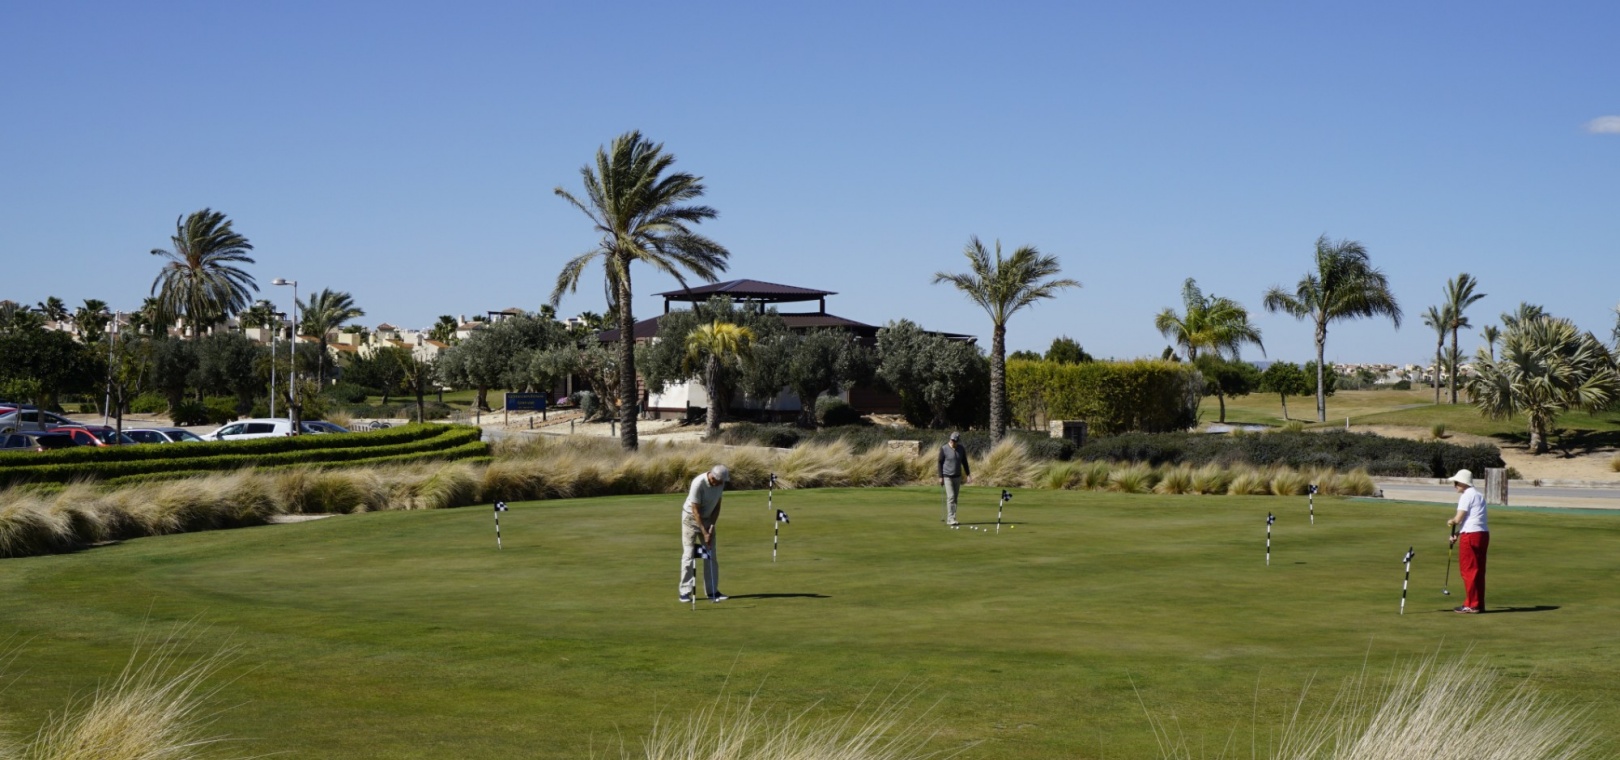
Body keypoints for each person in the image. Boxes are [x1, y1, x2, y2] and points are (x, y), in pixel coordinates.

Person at [680, 464, 730, 603]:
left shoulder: (720, 483)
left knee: (711, 555)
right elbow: (695, 511)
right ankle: (684, 592)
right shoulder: (698, 484)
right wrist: (704, 532)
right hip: (690, 519)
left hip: (708, 519)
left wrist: (711, 527)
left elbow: (717, 506)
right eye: (719, 481)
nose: (721, 484)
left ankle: (712, 591)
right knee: (688, 555)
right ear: (713, 477)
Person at [1446, 469, 1489, 613]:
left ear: (1464, 483)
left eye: (1457, 483)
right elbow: (1473, 519)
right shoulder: (1478, 495)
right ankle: (1478, 603)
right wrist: (1458, 533)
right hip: (1482, 534)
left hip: (1470, 536)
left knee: (1469, 570)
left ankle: (1471, 604)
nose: (1455, 485)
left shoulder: (1466, 496)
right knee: (1479, 570)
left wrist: (1451, 521)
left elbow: (1458, 519)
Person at [938, 432, 971, 526]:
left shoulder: (961, 449)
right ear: (950, 439)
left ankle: (953, 517)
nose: (953, 442)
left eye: (955, 441)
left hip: (957, 476)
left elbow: (964, 462)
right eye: (952, 440)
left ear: (957, 441)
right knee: (951, 497)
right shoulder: (944, 448)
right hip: (947, 476)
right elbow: (940, 463)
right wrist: (940, 476)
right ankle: (950, 519)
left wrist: (968, 474)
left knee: (955, 498)